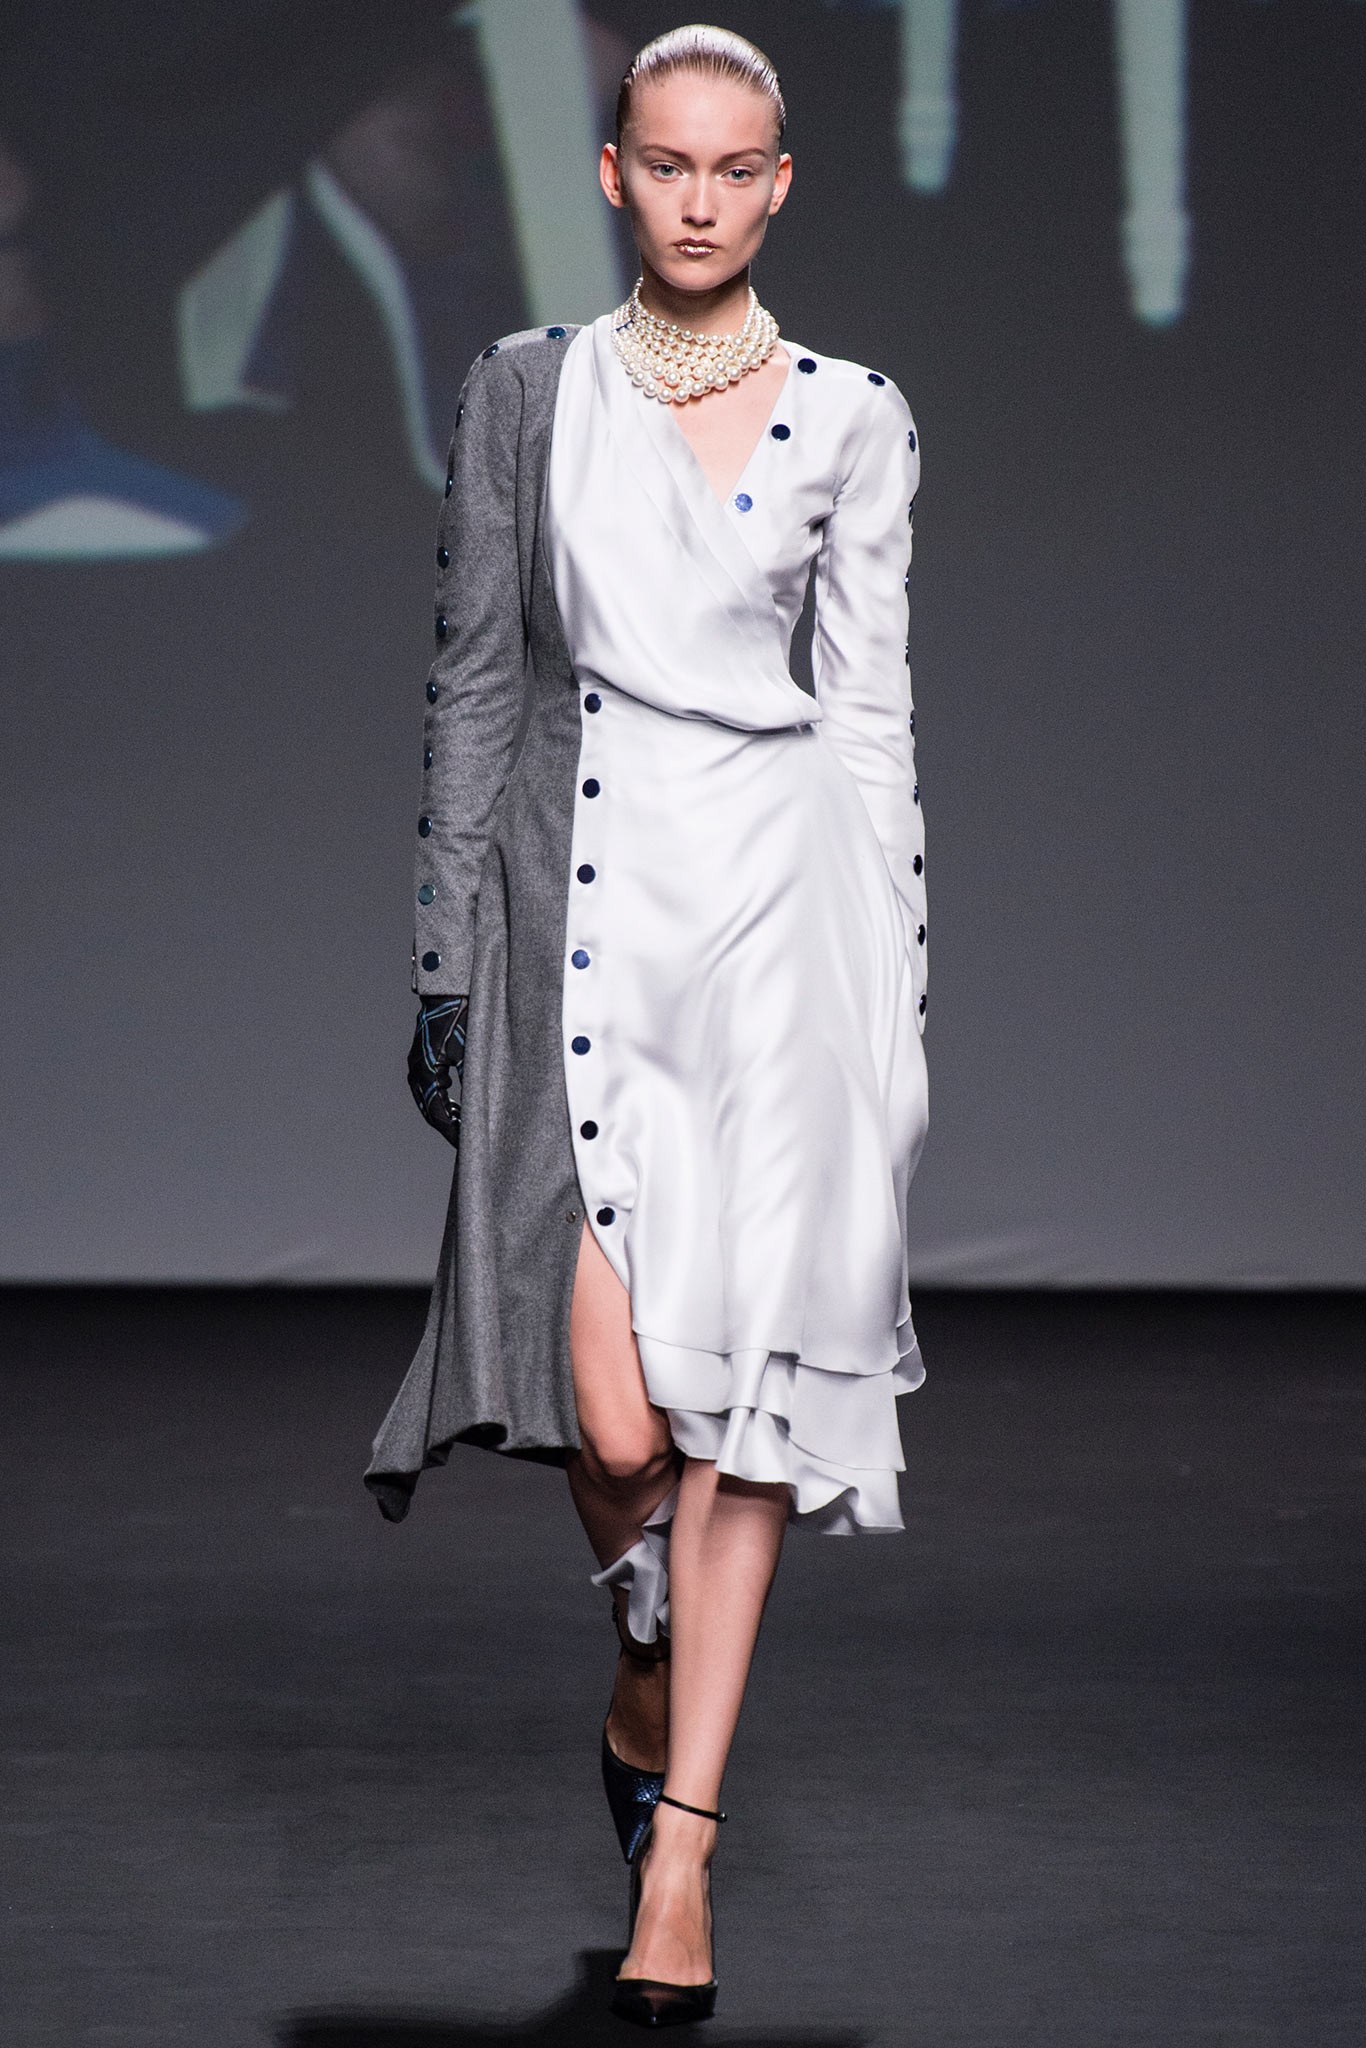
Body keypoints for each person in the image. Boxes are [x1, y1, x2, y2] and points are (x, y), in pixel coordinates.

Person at [364, 22, 930, 2028]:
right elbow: (475, 684)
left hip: (785, 931)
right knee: (614, 1424)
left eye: (733, 167)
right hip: (587, 908)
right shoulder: (526, 391)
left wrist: (897, 993)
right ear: (612, 173)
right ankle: (643, 1651)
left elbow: (866, 717)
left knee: (746, 1407)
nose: (698, 199)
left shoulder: (854, 416)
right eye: (665, 163)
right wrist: (446, 958)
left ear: (777, 183)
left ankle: (677, 1846)